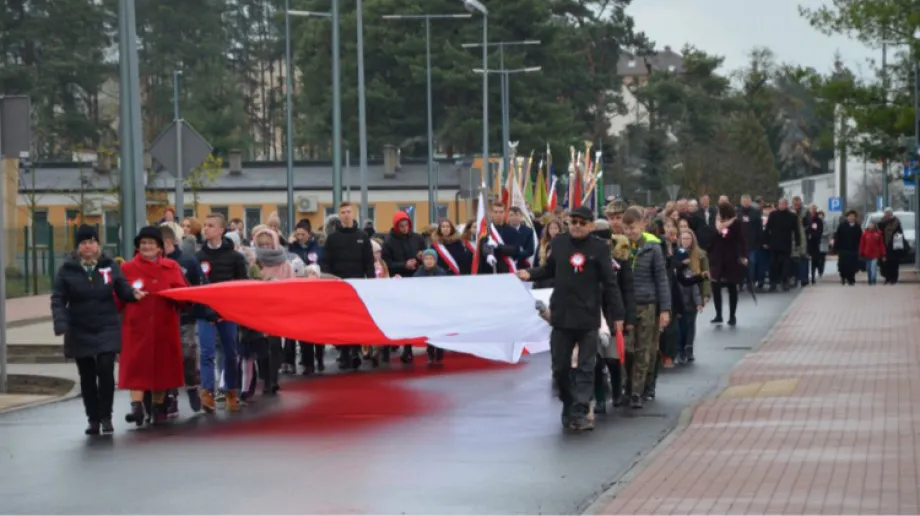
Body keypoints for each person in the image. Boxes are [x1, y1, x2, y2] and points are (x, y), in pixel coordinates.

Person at [517, 206, 625, 432]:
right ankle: (569, 402)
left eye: (581, 222)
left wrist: (618, 315)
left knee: (587, 367)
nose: (576, 225)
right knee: (559, 368)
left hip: (587, 316)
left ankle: (580, 411)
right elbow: (549, 270)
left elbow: (610, 283)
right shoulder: (558, 243)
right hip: (562, 315)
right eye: (573, 221)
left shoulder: (599, 248)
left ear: (591, 225)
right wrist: (530, 273)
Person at [51, 225, 143, 435]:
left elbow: (122, 288)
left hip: (106, 326)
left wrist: (132, 294)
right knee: (87, 375)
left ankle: (106, 416)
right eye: (83, 243)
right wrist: (61, 323)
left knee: (105, 369)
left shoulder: (109, 266)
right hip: (79, 327)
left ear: (98, 245)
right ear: (78, 247)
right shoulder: (67, 269)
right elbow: (58, 298)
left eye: (92, 242)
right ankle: (92, 418)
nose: (88, 247)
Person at [119, 227, 188, 426]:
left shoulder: (171, 266)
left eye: (151, 243)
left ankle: (158, 407)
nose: (147, 247)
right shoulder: (127, 268)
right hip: (137, 326)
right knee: (136, 367)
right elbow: (118, 296)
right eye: (143, 243)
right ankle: (137, 408)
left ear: (159, 247)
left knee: (162, 367)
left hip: (163, 324)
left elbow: (182, 292)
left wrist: (181, 299)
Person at [196, 213, 249, 412]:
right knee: (207, 352)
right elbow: (195, 286)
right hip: (205, 313)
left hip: (228, 312)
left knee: (230, 352)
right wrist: (204, 309)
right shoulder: (198, 257)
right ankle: (207, 391)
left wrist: (233, 308)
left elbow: (241, 284)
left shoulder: (235, 257)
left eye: (210, 225)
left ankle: (231, 390)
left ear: (221, 230)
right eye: (205, 225)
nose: (206, 229)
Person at [620, 206, 671, 408]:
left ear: (642, 225)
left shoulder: (653, 248)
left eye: (632, 228)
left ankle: (636, 392)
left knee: (644, 349)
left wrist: (665, 309)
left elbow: (661, 279)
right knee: (628, 349)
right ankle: (627, 385)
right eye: (626, 228)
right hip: (627, 306)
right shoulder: (621, 248)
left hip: (647, 303)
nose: (629, 232)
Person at [160, 223, 207, 417]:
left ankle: (192, 388)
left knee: (187, 355)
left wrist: (200, 309)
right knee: (167, 358)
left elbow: (200, 286)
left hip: (186, 318)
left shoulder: (188, 261)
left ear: (168, 242)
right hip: (163, 318)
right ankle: (171, 397)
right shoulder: (155, 264)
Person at [322, 202, 375, 369]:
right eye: (343, 212)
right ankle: (343, 351)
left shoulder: (362, 236)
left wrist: (371, 281)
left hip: (358, 284)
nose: (346, 215)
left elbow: (369, 261)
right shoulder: (332, 238)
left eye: (348, 212)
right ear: (340, 215)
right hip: (338, 284)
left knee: (356, 320)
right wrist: (329, 279)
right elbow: (326, 262)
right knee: (341, 320)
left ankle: (355, 350)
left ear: (354, 214)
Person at [709, 202, 747, 326]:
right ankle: (718, 314)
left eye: (720, 212)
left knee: (732, 287)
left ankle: (732, 315)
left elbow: (741, 240)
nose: (718, 214)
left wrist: (743, 255)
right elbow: (710, 239)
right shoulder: (715, 224)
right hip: (717, 258)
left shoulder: (736, 224)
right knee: (716, 286)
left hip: (731, 259)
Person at [764, 199, 800, 291]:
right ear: (778, 205)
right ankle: (773, 282)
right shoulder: (773, 215)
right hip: (774, 243)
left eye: (784, 204)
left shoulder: (792, 216)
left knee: (786, 264)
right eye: (781, 204)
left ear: (786, 205)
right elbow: (767, 229)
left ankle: (784, 281)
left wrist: (797, 242)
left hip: (786, 244)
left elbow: (796, 230)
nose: (782, 206)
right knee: (773, 264)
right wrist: (766, 241)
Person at [478, 202, 521, 274]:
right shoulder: (486, 230)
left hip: (505, 268)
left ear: (505, 213)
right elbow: (483, 245)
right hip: (488, 268)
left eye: (501, 212)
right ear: (492, 213)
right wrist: (488, 254)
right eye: (496, 212)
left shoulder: (512, 231)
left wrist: (498, 246)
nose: (498, 214)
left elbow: (515, 250)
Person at [832, 210, 863, 286]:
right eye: (850, 216)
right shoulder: (842, 226)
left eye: (853, 216)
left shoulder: (857, 227)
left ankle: (851, 278)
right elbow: (837, 237)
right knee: (843, 265)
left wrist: (860, 248)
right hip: (843, 249)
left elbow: (860, 238)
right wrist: (835, 248)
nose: (851, 218)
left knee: (853, 265)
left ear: (855, 218)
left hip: (853, 249)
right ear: (847, 217)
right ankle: (843, 277)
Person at [877, 208, 907, 284]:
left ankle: (893, 278)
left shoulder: (896, 222)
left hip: (894, 245)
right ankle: (887, 278)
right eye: (886, 213)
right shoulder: (881, 223)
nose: (887, 215)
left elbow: (900, 233)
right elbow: (878, 233)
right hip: (883, 245)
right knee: (884, 264)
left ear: (891, 214)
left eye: (888, 213)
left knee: (894, 263)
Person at [859, 221, 885, 285]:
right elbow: (862, 244)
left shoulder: (878, 234)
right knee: (868, 268)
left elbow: (881, 244)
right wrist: (861, 252)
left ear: (874, 226)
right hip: (867, 254)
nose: (871, 227)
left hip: (875, 254)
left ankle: (873, 280)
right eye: (870, 226)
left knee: (873, 268)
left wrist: (883, 254)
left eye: (872, 226)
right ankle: (869, 280)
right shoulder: (865, 234)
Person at [805, 205, 825, 284]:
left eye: (814, 209)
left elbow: (819, 231)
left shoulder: (818, 220)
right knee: (805, 261)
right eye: (811, 209)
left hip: (815, 243)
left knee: (814, 261)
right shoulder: (806, 218)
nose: (812, 211)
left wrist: (812, 235)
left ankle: (813, 277)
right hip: (806, 242)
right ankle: (805, 277)